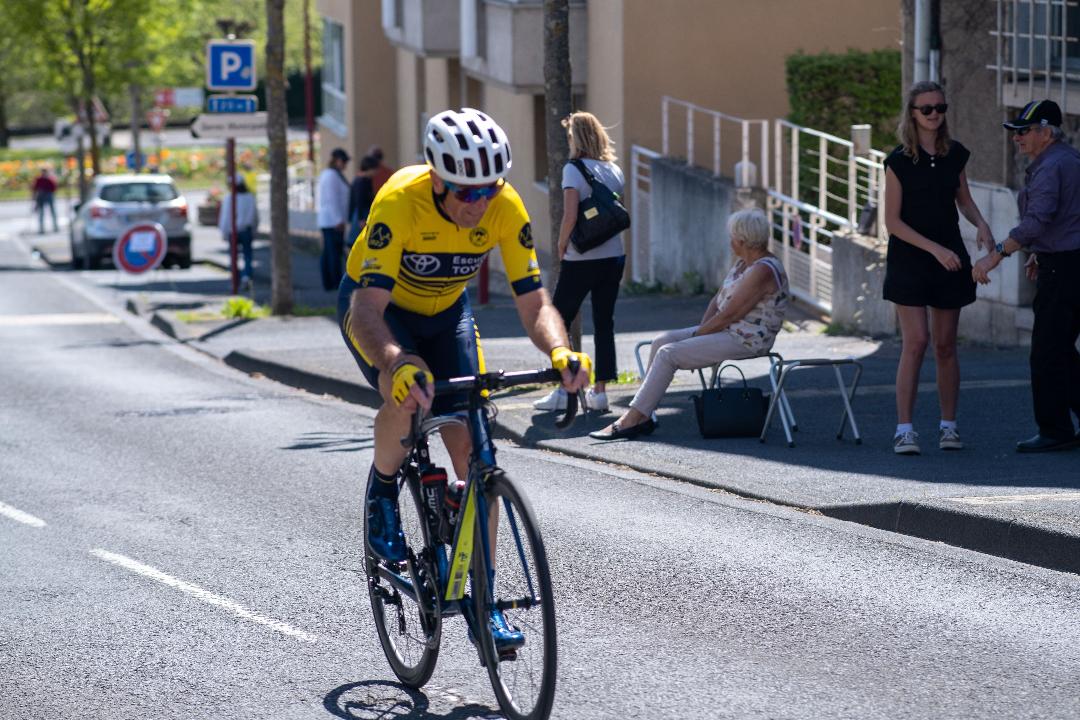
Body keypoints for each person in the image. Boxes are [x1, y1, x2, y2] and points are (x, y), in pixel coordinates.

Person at [337, 108, 591, 649]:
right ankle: (383, 493)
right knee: (409, 394)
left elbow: (533, 301)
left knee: (476, 454)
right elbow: (366, 310)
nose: (477, 203)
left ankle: (486, 601)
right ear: (436, 179)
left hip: (447, 315)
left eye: (487, 189)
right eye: (464, 192)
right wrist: (396, 361)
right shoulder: (398, 203)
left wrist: (562, 350)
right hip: (381, 313)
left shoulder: (504, 206)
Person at [589, 208, 788, 440]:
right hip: (728, 331)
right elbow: (718, 301)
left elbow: (729, 315)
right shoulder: (743, 263)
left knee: (668, 353)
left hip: (747, 339)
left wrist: (697, 338)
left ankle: (631, 420)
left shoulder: (763, 269)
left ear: (742, 241)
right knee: (661, 341)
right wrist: (700, 333)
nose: (730, 242)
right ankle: (644, 415)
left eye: (732, 237)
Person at [882, 80, 994, 456]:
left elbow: (964, 200)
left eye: (940, 108)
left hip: (949, 258)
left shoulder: (954, 155)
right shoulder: (898, 160)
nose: (934, 115)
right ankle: (904, 429)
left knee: (946, 346)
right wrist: (934, 250)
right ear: (912, 114)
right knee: (916, 342)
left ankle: (949, 426)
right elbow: (892, 223)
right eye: (926, 108)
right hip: (912, 257)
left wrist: (980, 223)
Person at [973, 99, 1080, 453]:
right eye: (1015, 131)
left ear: (1045, 133)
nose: (1016, 138)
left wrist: (996, 256)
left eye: (1024, 131)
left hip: (1065, 267)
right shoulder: (1061, 160)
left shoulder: (1052, 166)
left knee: (1048, 352)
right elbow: (1062, 219)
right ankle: (1060, 428)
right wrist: (1039, 251)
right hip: (1063, 261)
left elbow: (1038, 220)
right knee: (1061, 349)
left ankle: (1055, 430)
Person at [533, 111, 625, 414]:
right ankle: (601, 393)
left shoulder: (573, 170)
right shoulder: (613, 169)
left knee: (558, 321)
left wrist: (561, 245)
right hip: (613, 256)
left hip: (581, 257)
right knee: (604, 323)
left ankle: (565, 388)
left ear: (577, 138)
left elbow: (570, 215)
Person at [217, 174, 260, 292]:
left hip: (233, 231)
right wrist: (255, 230)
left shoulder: (229, 198)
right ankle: (246, 276)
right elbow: (255, 216)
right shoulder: (250, 197)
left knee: (233, 256)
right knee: (247, 255)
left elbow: (225, 217)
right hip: (246, 230)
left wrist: (224, 231)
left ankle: (235, 279)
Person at [318, 147, 352, 291]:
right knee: (333, 253)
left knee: (329, 252)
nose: (345, 165)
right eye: (344, 162)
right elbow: (332, 199)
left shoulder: (331, 174)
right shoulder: (331, 176)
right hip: (333, 221)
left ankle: (330, 282)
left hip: (330, 220)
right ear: (338, 161)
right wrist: (338, 219)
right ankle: (334, 282)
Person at [347, 155, 378, 247]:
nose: (376, 172)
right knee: (356, 240)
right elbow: (359, 200)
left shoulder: (365, 180)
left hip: (362, 212)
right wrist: (361, 218)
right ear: (369, 168)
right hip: (361, 213)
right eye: (375, 169)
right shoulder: (361, 181)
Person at [32, 168, 58, 234]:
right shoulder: (39, 179)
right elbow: (35, 188)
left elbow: (54, 188)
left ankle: (55, 227)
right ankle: (42, 229)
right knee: (42, 213)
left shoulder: (49, 179)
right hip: (42, 196)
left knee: (52, 212)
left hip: (48, 195)